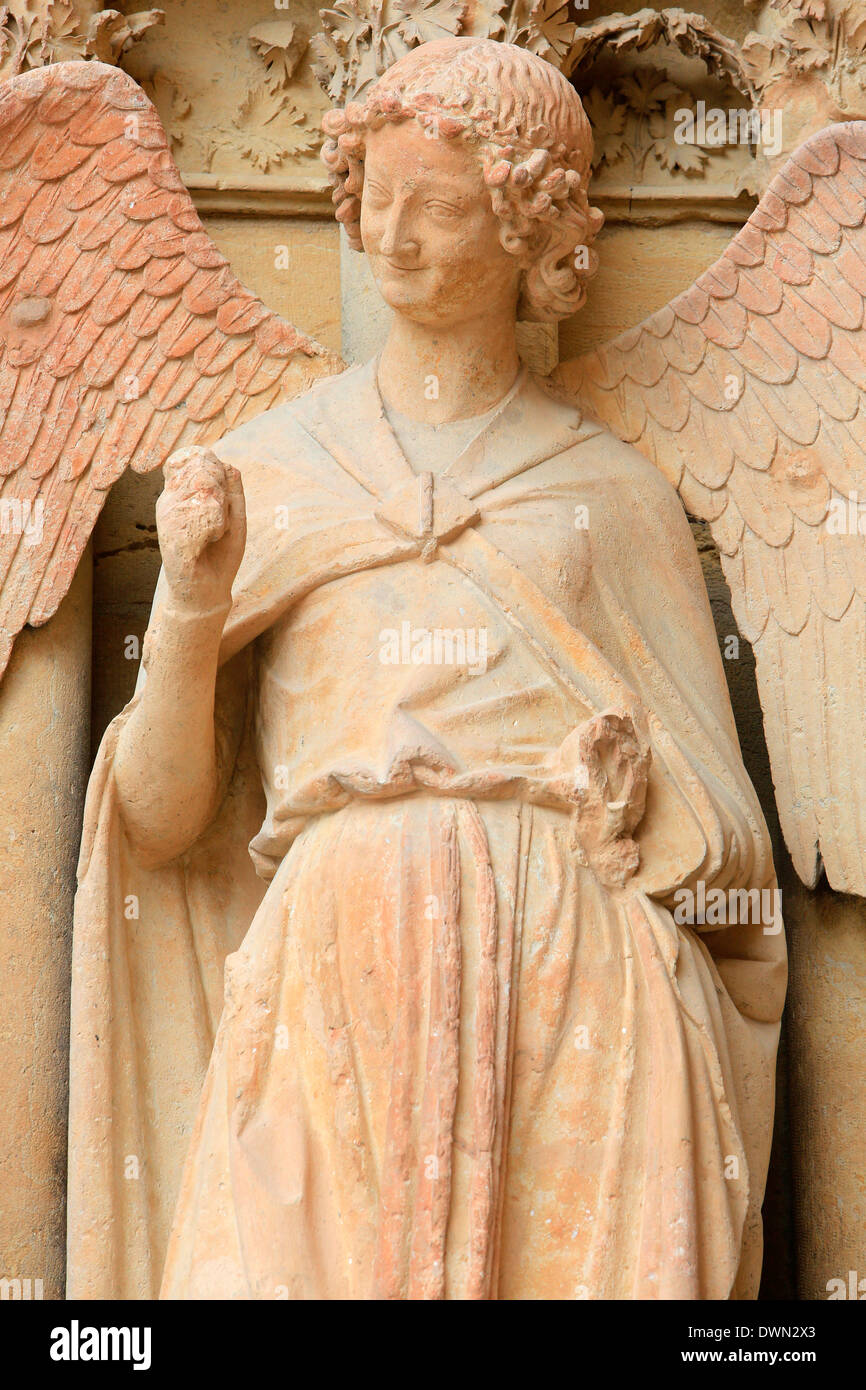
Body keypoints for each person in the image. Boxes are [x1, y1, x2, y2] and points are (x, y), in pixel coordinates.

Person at [68, 37, 786, 1301]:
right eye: (374, 194)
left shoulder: (608, 496)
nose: (390, 235)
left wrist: (636, 802)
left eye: (439, 206)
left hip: (569, 971)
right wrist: (186, 601)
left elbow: (731, 860)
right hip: (331, 964)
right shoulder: (271, 468)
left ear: (527, 229)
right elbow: (158, 818)